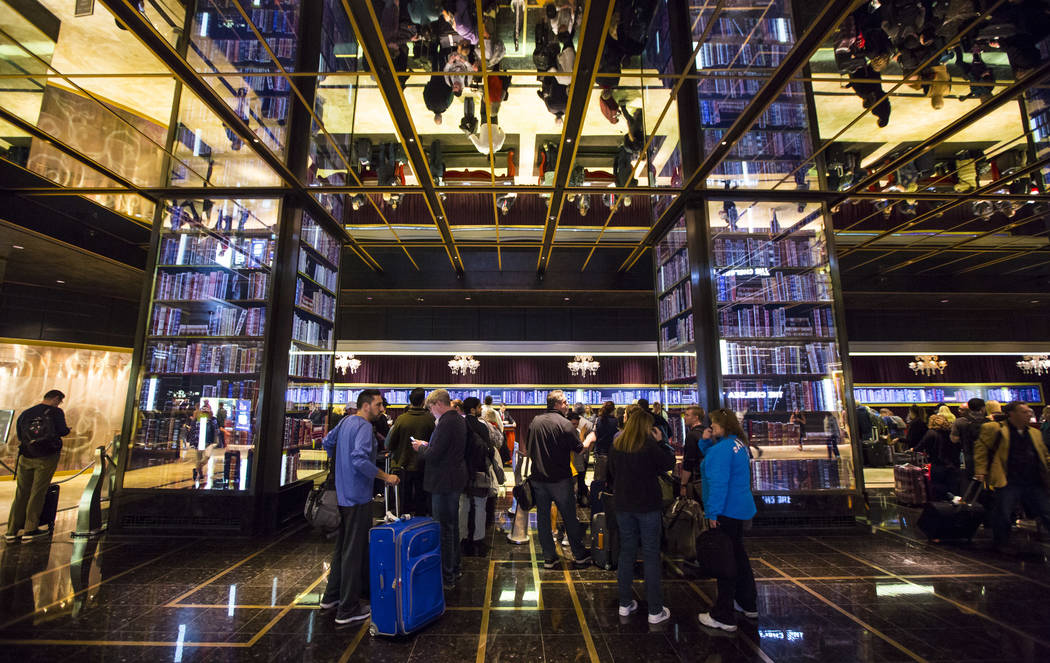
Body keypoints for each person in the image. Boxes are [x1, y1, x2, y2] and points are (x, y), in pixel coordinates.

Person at [319, 389, 399, 627]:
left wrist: (339, 465)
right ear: (366, 406)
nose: (381, 409)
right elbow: (359, 460)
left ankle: (331, 598)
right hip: (357, 497)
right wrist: (386, 477)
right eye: (378, 405)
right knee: (354, 553)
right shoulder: (364, 427)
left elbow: (327, 442)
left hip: (342, 495)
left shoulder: (345, 421)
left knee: (342, 549)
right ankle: (348, 609)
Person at [607, 407, 674, 625]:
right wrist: (662, 441)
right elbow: (668, 464)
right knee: (651, 555)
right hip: (647, 506)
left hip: (623, 505)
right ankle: (655, 609)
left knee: (626, 553)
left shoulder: (617, 446)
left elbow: (611, 473)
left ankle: (624, 604)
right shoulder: (649, 446)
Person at [697, 408, 758, 633]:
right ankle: (747, 603)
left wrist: (712, 513)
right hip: (740, 509)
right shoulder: (738, 445)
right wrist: (706, 444)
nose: (710, 428)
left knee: (725, 563)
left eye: (713, 425)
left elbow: (718, 482)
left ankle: (723, 614)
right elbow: (715, 460)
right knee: (739, 557)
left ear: (722, 426)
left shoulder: (723, 450)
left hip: (726, 511)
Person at [527, 390, 592, 568]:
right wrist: (590, 439)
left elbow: (529, 448)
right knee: (569, 517)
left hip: (539, 479)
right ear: (556, 404)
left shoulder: (535, 421)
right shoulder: (565, 424)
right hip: (560, 480)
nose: (567, 405)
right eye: (564, 402)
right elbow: (579, 449)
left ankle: (548, 557)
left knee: (543, 518)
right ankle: (579, 554)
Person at [975, 401, 1050, 552]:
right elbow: (981, 449)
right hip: (1008, 478)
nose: (1029, 414)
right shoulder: (994, 428)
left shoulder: (1035, 433)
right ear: (1011, 414)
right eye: (1024, 412)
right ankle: (1001, 542)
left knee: (1045, 510)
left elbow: (1043, 454)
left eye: (1029, 411)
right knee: (1003, 511)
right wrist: (981, 471)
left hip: (1033, 479)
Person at [412, 389, 468, 588]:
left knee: (444, 529)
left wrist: (421, 448)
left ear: (437, 404)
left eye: (430, 408)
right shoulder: (458, 420)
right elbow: (445, 449)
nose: (430, 412)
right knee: (451, 527)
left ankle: (447, 576)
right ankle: (455, 568)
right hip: (453, 479)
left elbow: (435, 455)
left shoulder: (446, 422)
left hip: (443, 482)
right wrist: (429, 444)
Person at [5, 389, 70, 543]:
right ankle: (30, 529)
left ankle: (11, 530)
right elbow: (62, 431)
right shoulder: (56, 412)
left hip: (26, 456)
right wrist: (67, 431)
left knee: (21, 492)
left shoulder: (26, 413)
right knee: (38, 492)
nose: (59, 404)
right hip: (46, 457)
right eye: (59, 401)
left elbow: (20, 436)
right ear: (56, 399)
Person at [386, 387, 435, 517]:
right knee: (422, 500)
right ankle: (420, 529)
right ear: (423, 401)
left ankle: (405, 529)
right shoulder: (430, 419)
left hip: (404, 464)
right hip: (424, 465)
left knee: (404, 500)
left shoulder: (402, 419)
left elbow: (391, 443)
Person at [460, 397, 498, 556]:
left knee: (463, 507)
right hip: (480, 471)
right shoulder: (482, 426)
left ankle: (462, 539)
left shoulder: (459, 424)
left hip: (462, 472)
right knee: (480, 507)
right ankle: (478, 540)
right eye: (479, 406)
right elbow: (491, 446)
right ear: (473, 409)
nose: (481, 409)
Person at [915, 414, 960, 500]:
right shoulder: (951, 432)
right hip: (953, 463)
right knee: (952, 485)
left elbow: (921, 446)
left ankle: (940, 504)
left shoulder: (931, 433)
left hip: (937, 463)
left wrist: (914, 449)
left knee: (937, 485)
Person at [950, 398, 986, 481]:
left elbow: (954, 440)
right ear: (983, 408)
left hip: (968, 455)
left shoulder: (960, 422)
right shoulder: (989, 421)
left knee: (971, 481)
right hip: (986, 456)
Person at [679, 406, 707, 501]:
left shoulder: (692, 435)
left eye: (687, 415)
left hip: (697, 480)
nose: (684, 417)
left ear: (696, 417)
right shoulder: (708, 433)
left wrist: (683, 485)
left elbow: (689, 461)